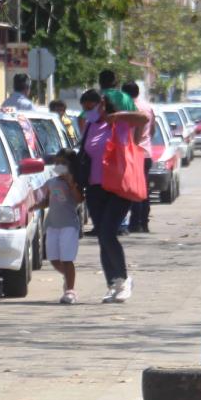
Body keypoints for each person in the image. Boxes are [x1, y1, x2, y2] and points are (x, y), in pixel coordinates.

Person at [84, 89, 152, 303]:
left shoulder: (122, 125)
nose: (99, 107)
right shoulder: (91, 126)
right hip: (95, 188)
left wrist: (118, 116)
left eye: (103, 104)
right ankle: (113, 283)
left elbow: (144, 118)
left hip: (118, 187)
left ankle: (123, 280)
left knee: (108, 233)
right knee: (103, 239)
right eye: (98, 104)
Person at [45, 149, 83, 304]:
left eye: (63, 163)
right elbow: (47, 200)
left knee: (67, 259)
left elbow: (79, 199)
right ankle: (67, 275)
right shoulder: (51, 182)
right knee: (53, 259)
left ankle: (70, 291)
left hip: (68, 225)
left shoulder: (73, 182)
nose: (59, 166)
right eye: (57, 163)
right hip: (52, 224)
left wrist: (71, 183)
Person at [121, 81, 154, 234]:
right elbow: (152, 130)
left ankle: (135, 223)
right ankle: (143, 223)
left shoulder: (128, 109)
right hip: (146, 152)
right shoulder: (147, 106)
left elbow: (133, 133)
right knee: (144, 189)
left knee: (133, 189)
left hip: (133, 152)